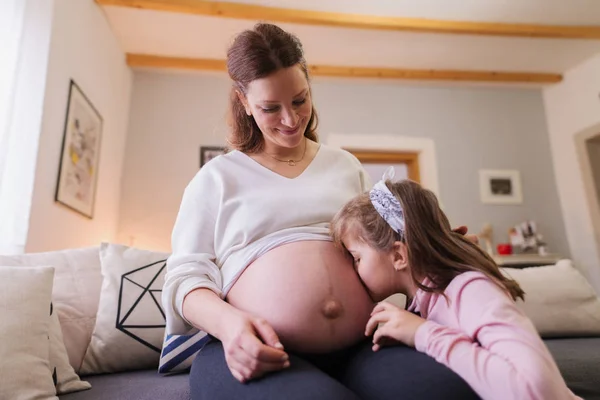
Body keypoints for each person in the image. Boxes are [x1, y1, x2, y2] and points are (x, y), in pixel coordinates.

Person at [162, 23, 478, 400]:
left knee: (449, 390)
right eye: (270, 108)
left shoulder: (345, 165)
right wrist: (231, 327)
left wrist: (436, 249)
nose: (291, 119)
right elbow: (184, 279)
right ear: (244, 103)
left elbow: (387, 248)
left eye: (299, 100)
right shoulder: (217, 177)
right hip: (264, 350)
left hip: (366, 342)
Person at [330, 168, 580, 400]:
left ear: (398, 256)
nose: (353, 269)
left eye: (356, 258)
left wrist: (423, 333)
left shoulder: (469, 289)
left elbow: (536, 390)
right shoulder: (427, 300)